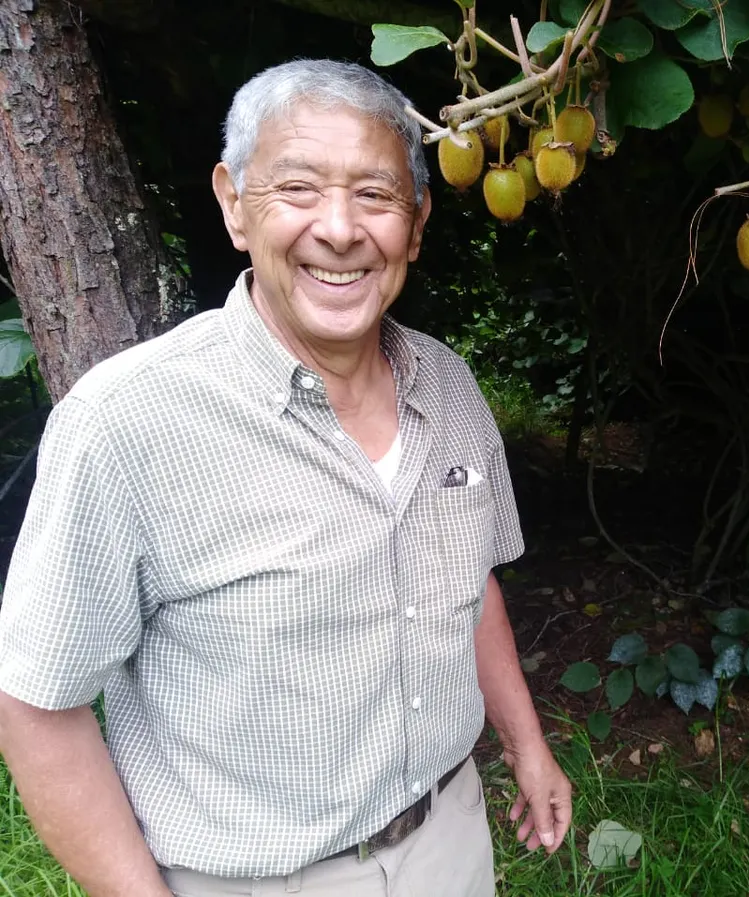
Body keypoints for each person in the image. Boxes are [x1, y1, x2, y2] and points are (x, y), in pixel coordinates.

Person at [0, 59, 571, 896]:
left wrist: (526, 745)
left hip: (449, 837)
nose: (339, 229)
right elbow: (37, 706)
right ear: (234, 204)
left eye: (375, 196)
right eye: (297, 189)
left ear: (414, 225)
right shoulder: (124, 422)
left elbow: (468, 578)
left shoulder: (448, 387)